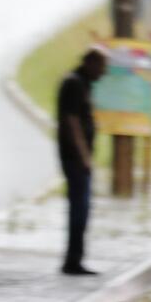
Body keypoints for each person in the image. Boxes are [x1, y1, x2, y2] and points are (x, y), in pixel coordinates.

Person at [57, 48, 108, 276]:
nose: (103, 72)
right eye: (102, 66)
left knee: (82, 208)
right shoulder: (74, 84)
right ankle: (73, 260)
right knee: (79, 209)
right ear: (90, 63)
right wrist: (84, 156)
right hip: (75, 159)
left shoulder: (82, 83)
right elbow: (72, 122)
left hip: (78, 159)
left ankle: (76, 258)